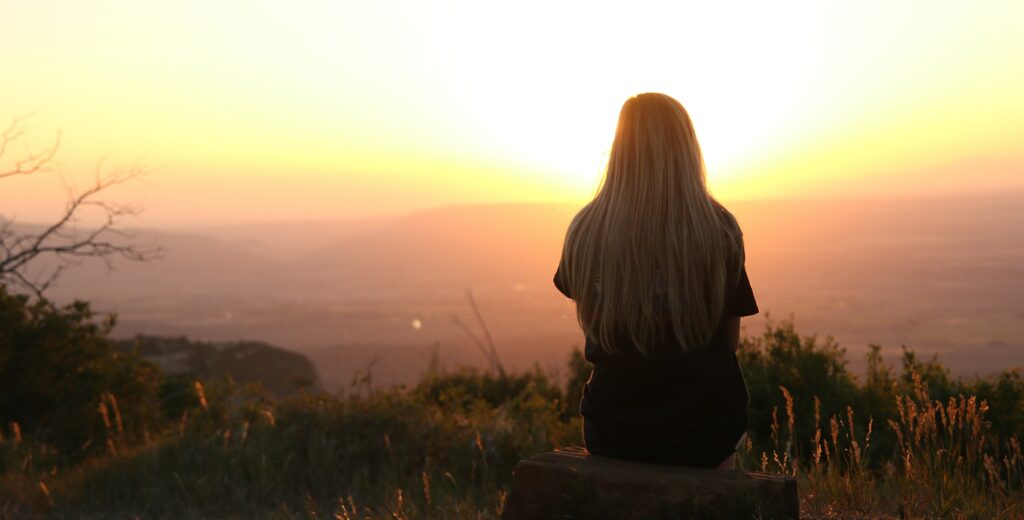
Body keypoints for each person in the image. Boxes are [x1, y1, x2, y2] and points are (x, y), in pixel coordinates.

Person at [553, 92, 758, 470]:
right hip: (703, 433)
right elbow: (729, 343)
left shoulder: (585, 230)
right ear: (687, 150)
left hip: (613, 431)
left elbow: (593, 323)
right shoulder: (720, 231)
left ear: (619, 149)